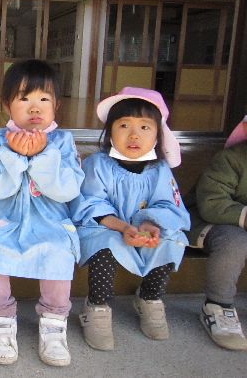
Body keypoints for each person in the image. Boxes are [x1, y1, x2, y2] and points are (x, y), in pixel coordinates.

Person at [0, 59, 84, 367]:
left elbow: (67, 189)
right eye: (24, 98)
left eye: (44, 99)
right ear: (7, 105)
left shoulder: (63, 142)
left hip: (48, 220)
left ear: (56, 105)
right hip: (1, 219)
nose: (35, 108)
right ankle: (2, 321)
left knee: (58, 252)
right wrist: (14, 155)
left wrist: (43, 155)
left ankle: (54, 323)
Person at [72, 87, 189, 351]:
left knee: (171, 241)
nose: (134, 135)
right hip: (106, 228)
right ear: (109, 132)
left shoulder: (160, 169)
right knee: (105, 247)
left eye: (145, 127)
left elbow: (168, 205)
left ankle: (149, 298)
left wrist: (149, 225)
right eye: (124, 125)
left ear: (158, 134)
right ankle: (97, 307)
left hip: (145, 229)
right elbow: (90, 203)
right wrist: (123, 227)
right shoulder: (97, 164)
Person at [185, 115, 247, 350]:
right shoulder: (230, 159)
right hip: (210, 222)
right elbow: (212, 203)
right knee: (235, 242)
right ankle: (218, 305)